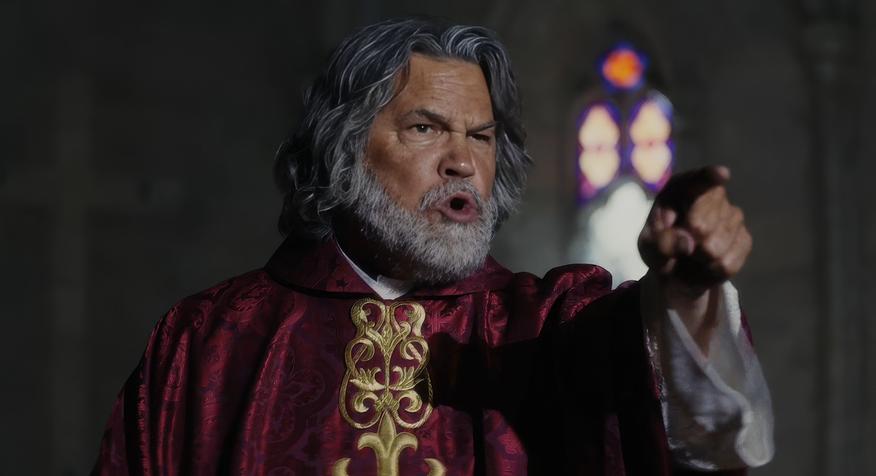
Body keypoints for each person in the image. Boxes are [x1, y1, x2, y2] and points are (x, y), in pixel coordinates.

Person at [93, 18, 774, 475]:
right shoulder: (209, 339)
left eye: (481, 137)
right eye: (425, 129)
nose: (463, 163)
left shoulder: (542, 326)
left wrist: (686, 292)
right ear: (345, 149)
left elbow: (664, 397)